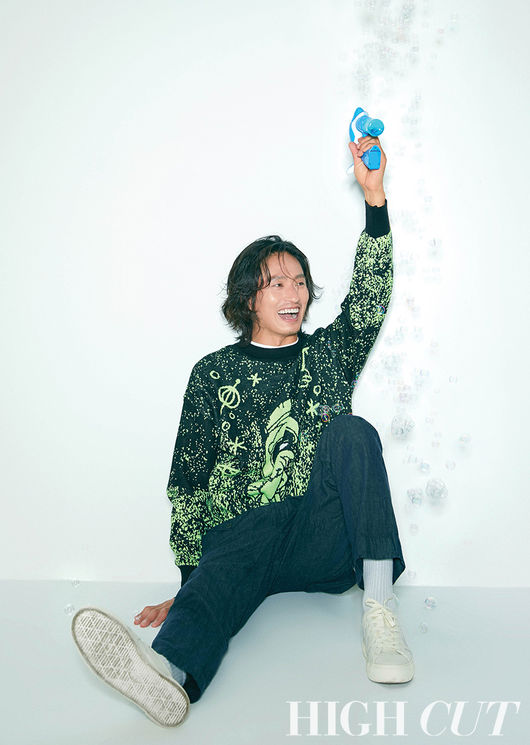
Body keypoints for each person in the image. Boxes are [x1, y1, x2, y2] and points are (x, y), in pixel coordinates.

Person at [71, 135, 414, 728]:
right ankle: (169, 676)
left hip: (322, 543)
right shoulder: (213, 374)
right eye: (276, 283)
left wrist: (375, 199)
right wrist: (191, 582)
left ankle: (381, 615)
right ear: (248, 297)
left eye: (300, 281)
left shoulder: (328, 356)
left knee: (352, 432)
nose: (293, 293)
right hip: (244, 548)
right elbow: (188, 482)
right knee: (236, 542)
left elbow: (370, 298)